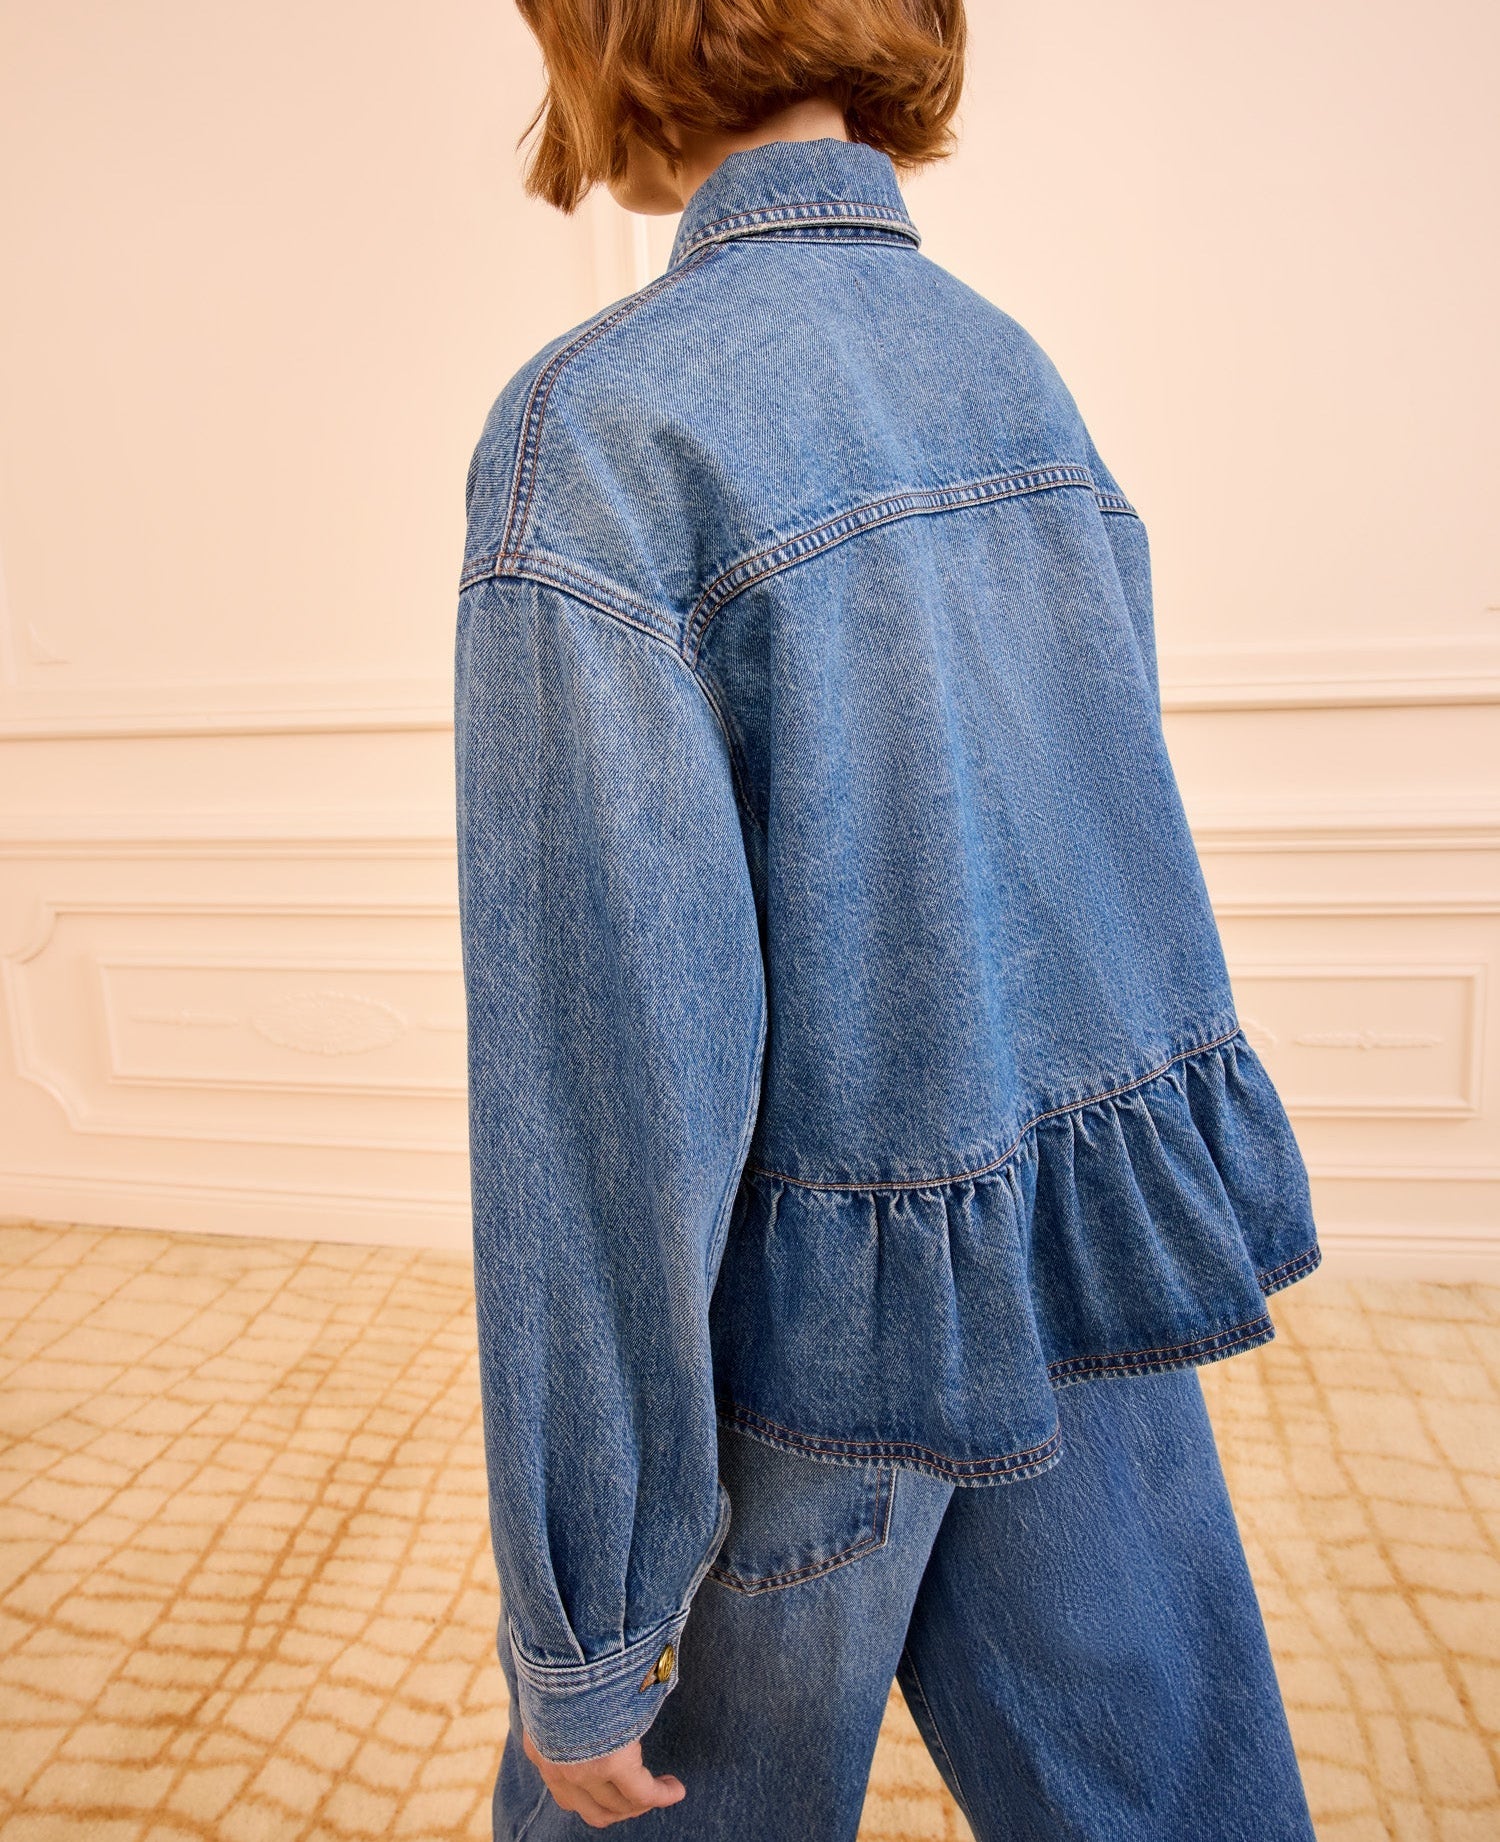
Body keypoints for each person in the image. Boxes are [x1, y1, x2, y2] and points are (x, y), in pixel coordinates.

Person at [453, 2, 1322, 1836]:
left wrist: (589, 1615)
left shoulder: (596, 432)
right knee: (1174, 1801)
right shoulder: (1010, 367)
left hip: (808, 1352)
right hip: (1061, 1261)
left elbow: (607, 1088)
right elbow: (1092, 849)